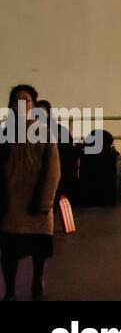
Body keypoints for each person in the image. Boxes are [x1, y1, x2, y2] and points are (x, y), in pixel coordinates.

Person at [0, 86, 60, 300]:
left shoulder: (44, 132)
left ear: (34, 104)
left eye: (25, 100)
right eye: (16, 101)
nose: (20, 105)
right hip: (11, 202)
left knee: (38, 249)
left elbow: (53, 170)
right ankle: (10, 290)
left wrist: (46, 201)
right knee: (8, 250)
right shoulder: (4, 132)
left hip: (36, 199)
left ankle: (37, 281)